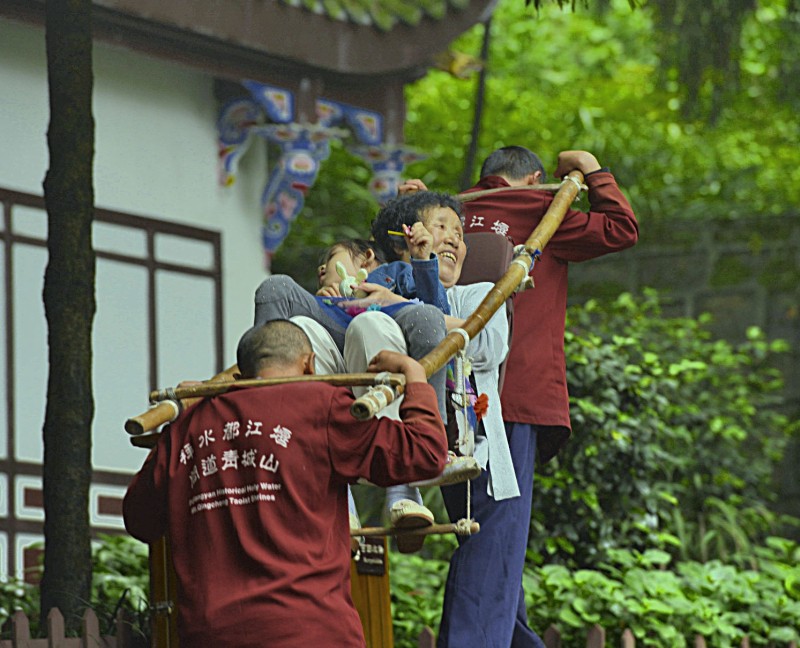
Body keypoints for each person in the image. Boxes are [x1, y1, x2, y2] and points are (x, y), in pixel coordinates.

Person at [405, 148, 639, 647]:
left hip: (443, 397)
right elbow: (621, 228)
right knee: (492, 535)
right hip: (511, 397)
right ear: (534, 177)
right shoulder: (541, 208)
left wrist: (414, 209)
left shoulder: (450, 216)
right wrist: (592, 168)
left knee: (488, 534)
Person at [122, 319, 448, 648]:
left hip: (210, 635)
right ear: (309, 364)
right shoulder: (320, 403)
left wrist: (180, 424)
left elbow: (139, 519)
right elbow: (424, 453)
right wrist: (414, 374)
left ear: (239, 376)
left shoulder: (188, 427)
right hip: (311, 633)